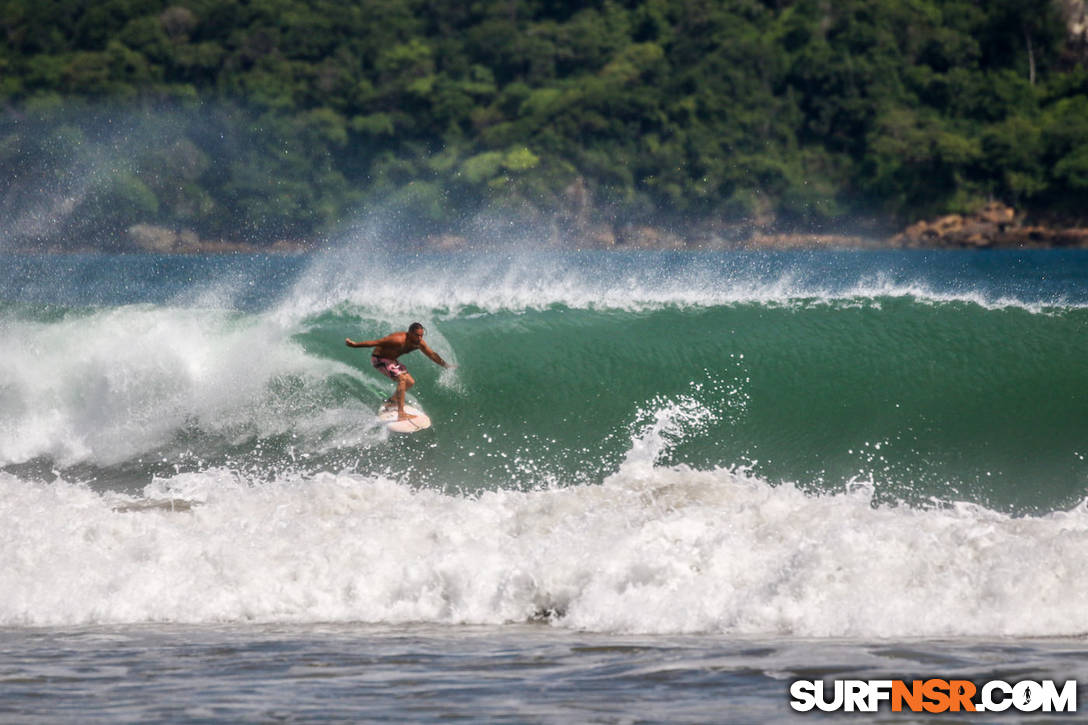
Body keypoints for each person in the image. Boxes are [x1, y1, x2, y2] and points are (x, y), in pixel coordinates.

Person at [346, 322, 453, 421]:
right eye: (417, 335)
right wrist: (355, 345)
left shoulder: (419, 343)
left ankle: (391, 402)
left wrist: (445, 365)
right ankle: (401, 413)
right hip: (379, 359)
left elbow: (432, 354)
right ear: (410, 333)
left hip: (391, 361)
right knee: (402, 379)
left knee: (410, 382)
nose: (420, 338)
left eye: (421, 335)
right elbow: (375, 342)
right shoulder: (397, 339)